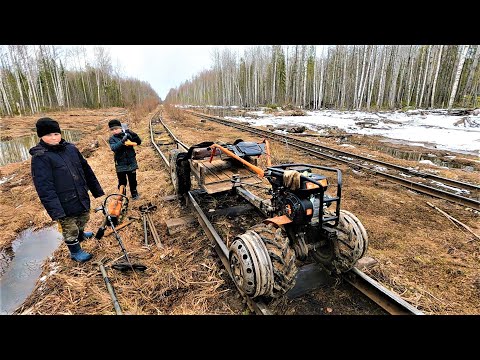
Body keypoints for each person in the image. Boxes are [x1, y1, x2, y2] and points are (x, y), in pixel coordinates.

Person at [29, 117, 105, 263]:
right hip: (63, 202)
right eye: (49, 135)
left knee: (83, 218)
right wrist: (56, 210)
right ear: (41, 136)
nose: (53, 137)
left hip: (80, 194)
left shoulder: (71, 149)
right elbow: (44, 187)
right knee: (70, 228)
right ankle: (75, 252)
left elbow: (86, 169)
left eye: (56, 134)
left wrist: (96, 190)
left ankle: (81, 235)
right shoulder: (41, 157)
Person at [108, 119, 142, 200]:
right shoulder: (112, 139)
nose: (114, 131)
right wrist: (122, 141)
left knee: (133, 180)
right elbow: (114, 148)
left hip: (131, 162)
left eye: (116, 129)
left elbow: (139, 142)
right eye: (112, 130)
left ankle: (134, 193)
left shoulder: (127, 134)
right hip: (120, 164)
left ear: (120, 128)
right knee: (122, 182)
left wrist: (133, 135)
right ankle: (122, 196)